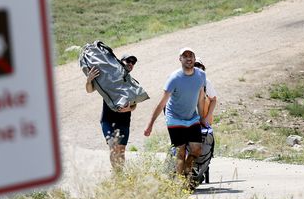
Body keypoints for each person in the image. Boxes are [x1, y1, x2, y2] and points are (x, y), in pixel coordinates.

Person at [144, 47, 206, 187]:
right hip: (175, 119)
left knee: (197, 149)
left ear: (194, 59)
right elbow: (161, 104)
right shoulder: (174, 78)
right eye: (185, 56)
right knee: (180, 152)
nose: (189, 58)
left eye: (191, 56)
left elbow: (201, 97)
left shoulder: (201, 75)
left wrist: (202, 117)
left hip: (192, 118)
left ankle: (185, 170)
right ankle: (182, 183)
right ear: (180, 59)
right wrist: (150, 125)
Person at [85, 53, 138, 170]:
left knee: (121, 151)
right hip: (107, 120)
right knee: (113, 147)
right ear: (120, 61)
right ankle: (116, 173)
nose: (130, 64)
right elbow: (90, 90)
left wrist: (129, 108)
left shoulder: (132, 84)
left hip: (124, 121)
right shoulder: (108, 78)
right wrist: (89, 80)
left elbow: (134, 105)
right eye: (128, 61)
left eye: (133, 62)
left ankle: (120, 174)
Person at [194, 58, 217, 126]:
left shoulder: (206, 83)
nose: (197, 68)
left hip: (204, 120)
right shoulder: (185, 83)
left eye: (199, 66)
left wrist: (207, 117)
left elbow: (214, 100)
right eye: (195, 65)